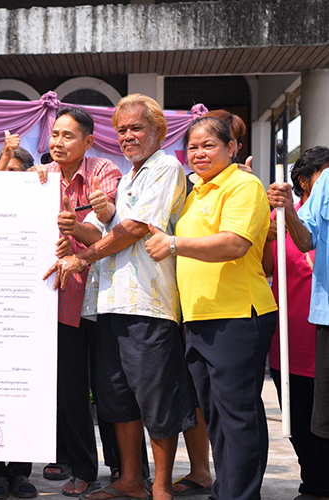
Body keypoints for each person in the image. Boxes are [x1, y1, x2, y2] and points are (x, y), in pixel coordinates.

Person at [44, 94, 198, 500]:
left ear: (158, 131)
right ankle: (130, 479)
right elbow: (103, 229)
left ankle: (160, 485)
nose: (128, 136)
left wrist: (82, 258)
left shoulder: (165, 168)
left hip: (147, 303)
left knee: (156, 400)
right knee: (117, 399)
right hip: (108, 302)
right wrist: (75, 228)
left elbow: (134, 228)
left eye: (136, 128)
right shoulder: (128, 176)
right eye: (122, 130)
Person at [146, 116, 277, 500]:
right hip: (199, 317)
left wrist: (173, 244)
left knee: (237, 415)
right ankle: (227, 489)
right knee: (216, 415)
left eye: (209, 145)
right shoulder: (195, 192)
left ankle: (239, 495)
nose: (199, 153)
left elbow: (235, 243)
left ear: (231, 148)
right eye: (192, 147)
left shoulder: (243, 185)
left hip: (237, 315)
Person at [36, 106, 122, 498]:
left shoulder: (104, 172)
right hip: (61, 299)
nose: (58, 142)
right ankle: (83, 468)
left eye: (68, 136)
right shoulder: (40, 177)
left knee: (111, 390)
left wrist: (76, 228)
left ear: (88, 142)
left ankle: (124, 469)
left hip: (104, 297)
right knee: (70, 389)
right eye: (55, 134)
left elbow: (109, 235)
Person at [266, 147, 329, 500]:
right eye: (324, 174)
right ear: (303, 182)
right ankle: (315, 483)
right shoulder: (281, 218)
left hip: (322, 335)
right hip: (291, 338)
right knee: (298, 419)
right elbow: (264, 266)